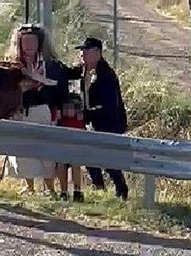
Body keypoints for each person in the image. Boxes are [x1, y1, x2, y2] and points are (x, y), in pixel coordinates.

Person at [3, 24, 83, 198]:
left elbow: (61, 88)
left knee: (46, 152)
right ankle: (30, 187)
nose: (29, 45)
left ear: (39, 43)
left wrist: (54, 104)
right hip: (21, 112)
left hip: (44, 111)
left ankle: (50, 188)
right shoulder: (13, 67)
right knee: (23, 152)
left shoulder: (51, 65)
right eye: (25, 41)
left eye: (33, 41)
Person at [74, 37, 129, 201]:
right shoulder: (85, 71)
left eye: (86, 51)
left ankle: (121, 190)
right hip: (95, 123)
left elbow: (109, 106)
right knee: (90, 157)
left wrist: (86, 114)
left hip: (110, 123)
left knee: (109, 161)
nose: (82, 54)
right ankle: (100, 187)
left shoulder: (106, 75)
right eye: (82, 51)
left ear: (97, 53)